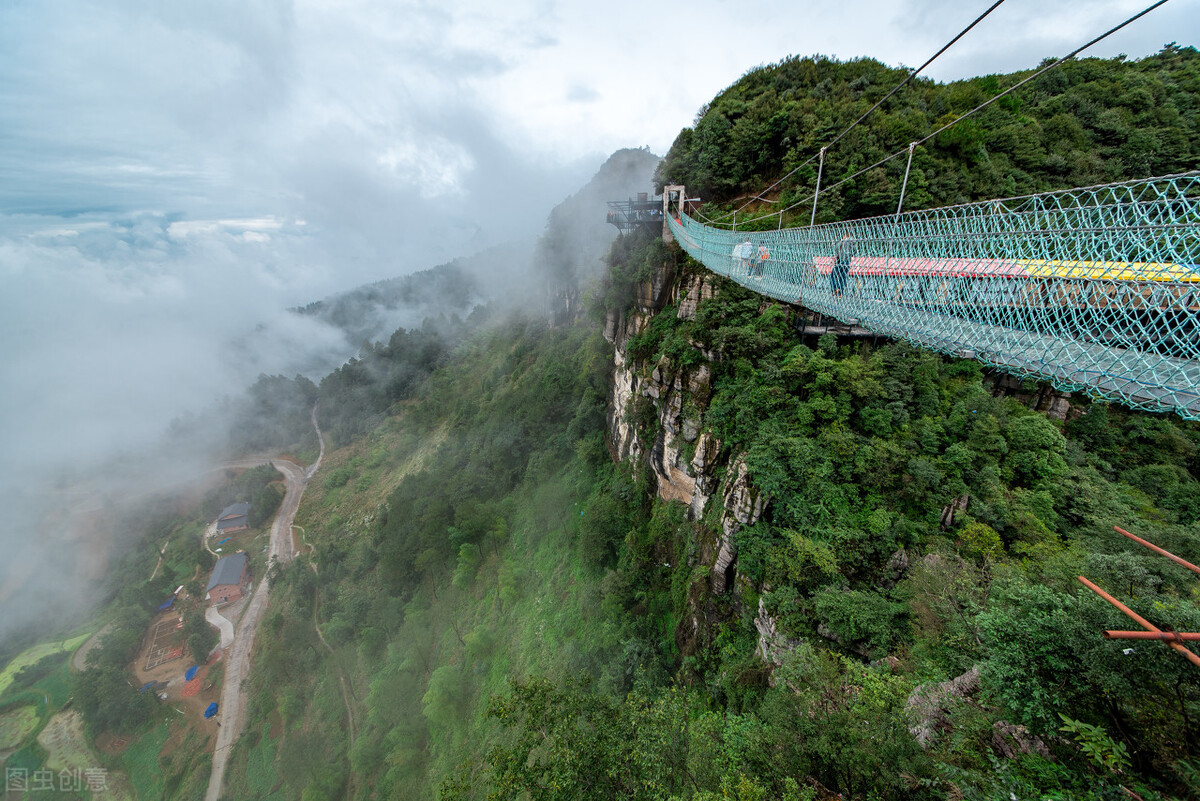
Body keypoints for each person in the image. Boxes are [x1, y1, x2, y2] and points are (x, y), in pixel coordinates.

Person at [831, 232, 854, 297]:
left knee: (833, 275)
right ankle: (840, 292)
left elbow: (836, 249)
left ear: (845, 236)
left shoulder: (841, 242)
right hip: (847, 261)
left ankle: (835, 288)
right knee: (843, 277)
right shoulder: (852, 242)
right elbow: (854, 251)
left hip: (840, 261)